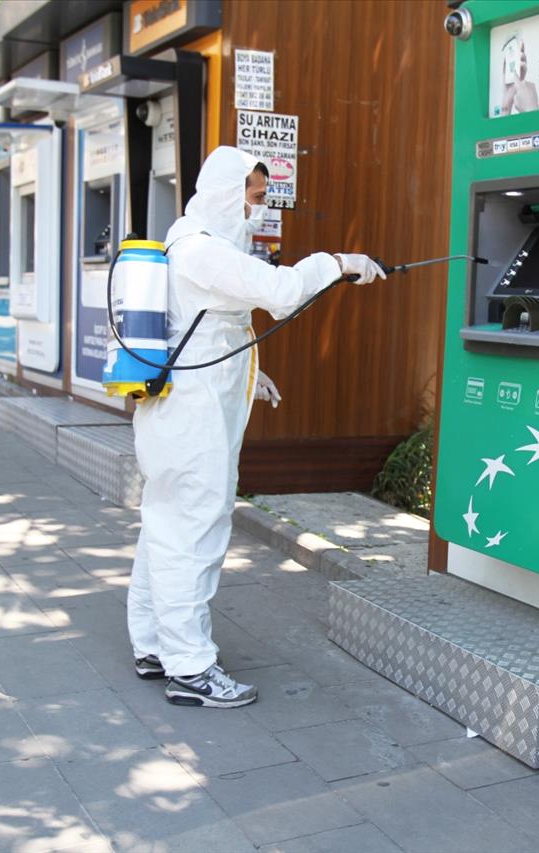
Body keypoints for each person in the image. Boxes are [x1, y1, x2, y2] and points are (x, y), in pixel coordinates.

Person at [125, 146, 385, 708]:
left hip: (182, 412)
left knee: (165, 531)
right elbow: (281, 293)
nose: (261, 208)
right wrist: (339, 262)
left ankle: (155, 647)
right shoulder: (201, 250)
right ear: (226, 191)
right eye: (256, 195)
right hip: (190, 424)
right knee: (193, 535)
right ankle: (191, 670)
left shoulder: (194, 244)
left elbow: (212, 330)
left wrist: (252, 376)